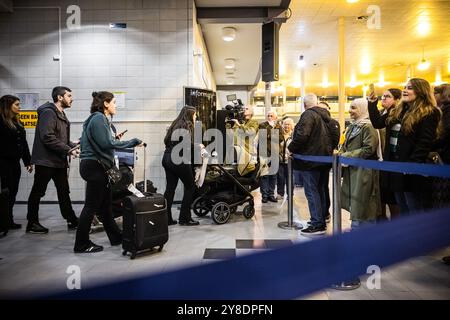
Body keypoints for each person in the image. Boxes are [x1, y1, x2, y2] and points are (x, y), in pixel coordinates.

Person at [74, 91, 143, 253]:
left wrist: (113, 140)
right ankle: (81, 244)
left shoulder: (98, 119)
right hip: (94, 167)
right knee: (91, 207)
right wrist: (132, 142)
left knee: (105, 206)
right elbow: (106, 144)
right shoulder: (98, 118)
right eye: (113, 102)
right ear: (105, 103)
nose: (115, 105)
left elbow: (103, 142)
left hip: (94, 166)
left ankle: (116, 237)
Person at [368, 78, 441, 214]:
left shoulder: (429, 112)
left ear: (421, 91)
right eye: (405, 87)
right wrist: (372, 104)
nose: (405, 90)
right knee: (402, 205)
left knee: (414, 207)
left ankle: (418, 234)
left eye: (409, 88)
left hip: (411, 166)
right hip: (395, 164)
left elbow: (424, 142)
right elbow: (378, 123)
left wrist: (412, 165)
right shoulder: (399, 110)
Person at [26, 86, 80, 234]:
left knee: (64, 191)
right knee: (38, 192)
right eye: (69, 96)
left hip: (58, 161)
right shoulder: (49, 113)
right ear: (59, 97)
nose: (72, 98)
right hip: (46, 161)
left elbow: (61, 139)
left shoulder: (60, 114)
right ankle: (32, 223)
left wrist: (74, 145)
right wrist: (68, 150)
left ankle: (72, 220)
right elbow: (47, 137)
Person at [288, 93, 333, 235]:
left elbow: (302, 135)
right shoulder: (326, 117)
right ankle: (320, 219)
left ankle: (317, 224)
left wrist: (291, 148)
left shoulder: (308, 115)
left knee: (312, 192)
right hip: (323, 160)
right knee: (320, 191)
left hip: (311, 161)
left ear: (304, 105)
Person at [340, 98, 381, 228]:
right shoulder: (354, 126)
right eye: (350, 107)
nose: (350, 111)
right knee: (356, 202)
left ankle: (363, 231)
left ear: (363, 109)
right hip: (353, 169)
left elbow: (369, 149)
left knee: (364, 203)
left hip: (365, 171)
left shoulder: (369, 126)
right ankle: (357, 227)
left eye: (354, 108)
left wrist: (346, 156)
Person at [163, 106, 206, 226]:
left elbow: (167, 141)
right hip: (178, 159)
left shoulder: (175, 124)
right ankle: (184, 218)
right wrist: (199, 146)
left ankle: (167, 219)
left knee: (170, 188)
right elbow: (186, 143)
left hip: (166, 158)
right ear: (190, 114)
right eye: (195, 115)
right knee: (190, 187)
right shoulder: (187, 125)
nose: (196, 117)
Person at [0, 95, 33, 232]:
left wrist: (28, 161)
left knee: (13, 192)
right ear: (8, 106)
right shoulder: (1, 123)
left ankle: (9, 219)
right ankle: (3, 221)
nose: (20, 107)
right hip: (3, 163)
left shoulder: (18, 123)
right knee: (5, 192)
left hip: (15, 163)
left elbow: (23, 144)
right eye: (17, 105)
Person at [372, 88, 402, 220]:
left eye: (387, 96)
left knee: (397, 197)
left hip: (398, 160)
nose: (383, 98)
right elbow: (377, 123)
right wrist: (372, 103)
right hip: (388, 159)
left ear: (396, 100)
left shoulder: (399, 113)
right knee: (387, 193)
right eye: (383, 96)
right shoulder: (388, 113)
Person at [259, 110, 282, 203]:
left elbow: (280, 138)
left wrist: (270, 135)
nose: (269, 117)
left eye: (271, 116)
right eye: (268, 115)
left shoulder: (278, 126)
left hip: (275, 153)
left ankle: (271, 194)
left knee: (273, 176)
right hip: (264, 153)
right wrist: (272, 131)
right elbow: (263, 136)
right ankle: (264, 195)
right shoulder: (262, 125)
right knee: (264, 175)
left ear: (275, 117)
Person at [276, 118, 294, 200]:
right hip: (280, 160)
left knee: (289, 178)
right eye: (285, 124)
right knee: (280, 178)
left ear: (291, 126)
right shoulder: (280, 135)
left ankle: (290, 194)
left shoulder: (294, 136)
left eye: (288, 124)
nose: (286, 126)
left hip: (290, 161)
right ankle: (280, 193)